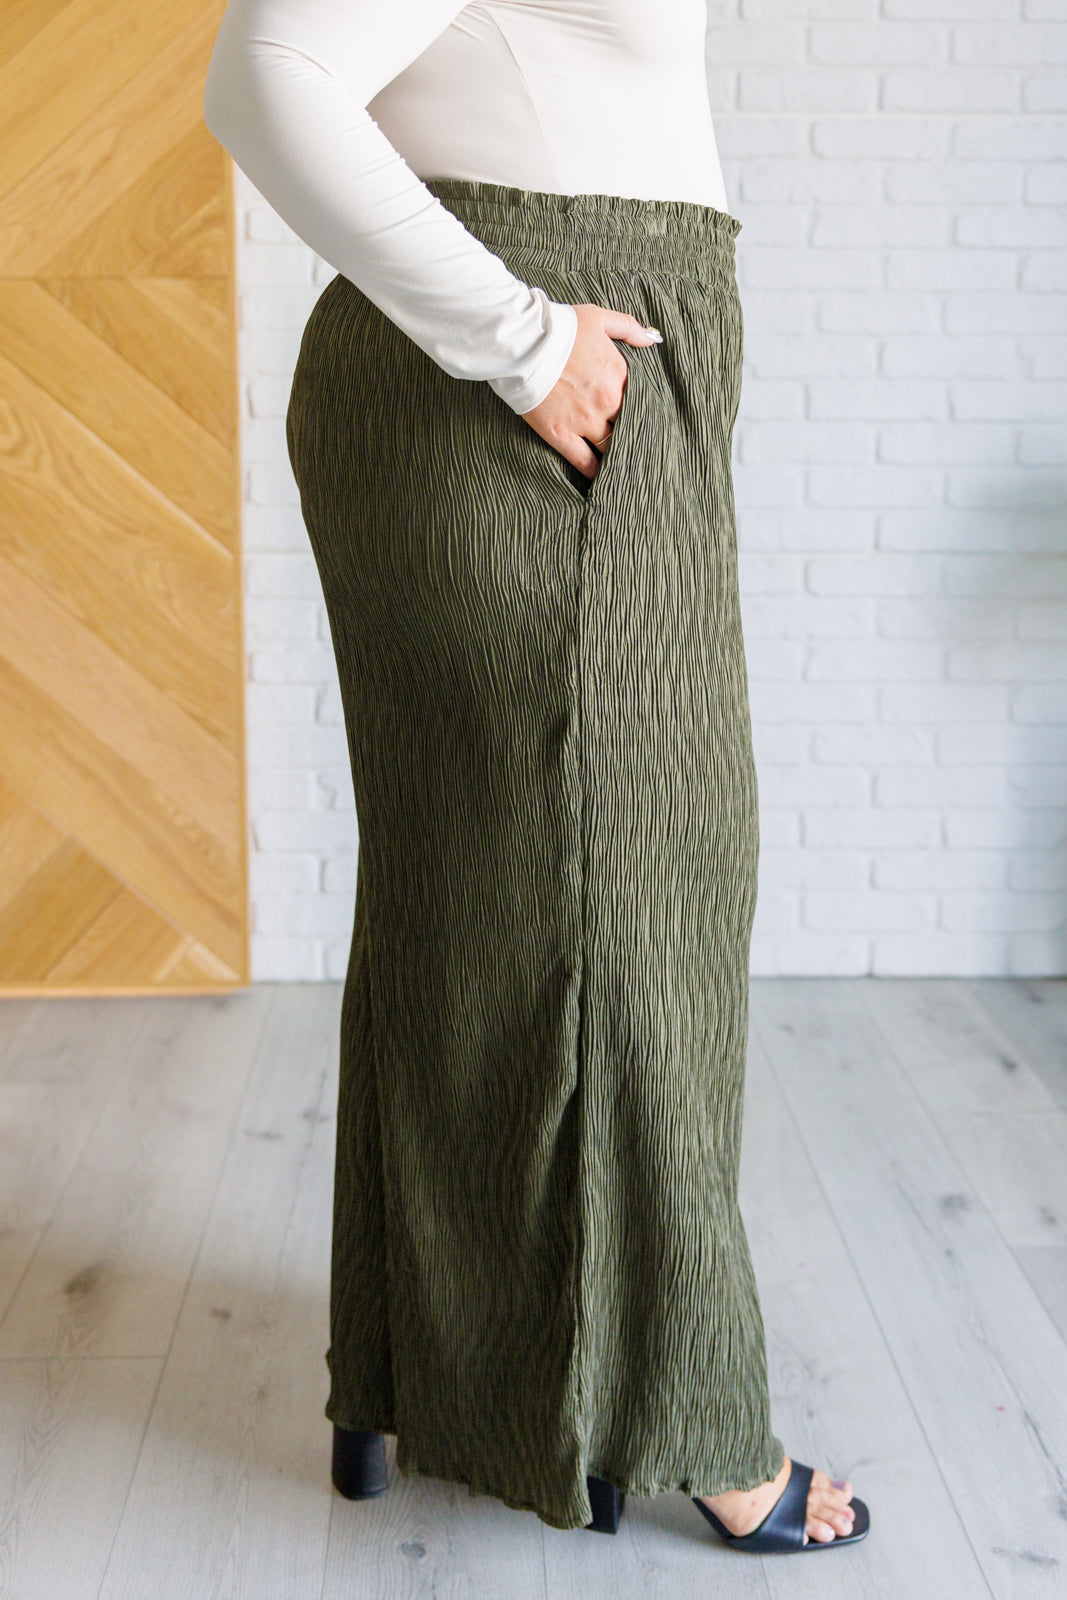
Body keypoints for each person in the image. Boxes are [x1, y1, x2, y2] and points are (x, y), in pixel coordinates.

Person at [204, 0, 869, 1554]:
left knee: (469, 896)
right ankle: (691, 1416)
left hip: (539, 383)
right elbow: (263, 75)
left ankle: (395, 1370)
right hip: (524, 394)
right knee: (642, 898)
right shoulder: (529, 350)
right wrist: (524, 343)